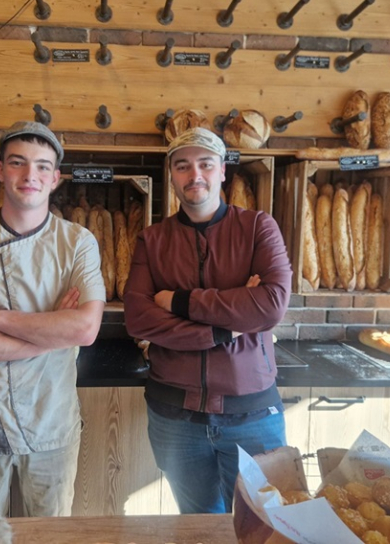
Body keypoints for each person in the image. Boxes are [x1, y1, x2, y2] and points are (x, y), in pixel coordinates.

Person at [0, 121, 106, 516]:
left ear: (56, 178)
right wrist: (50, 330)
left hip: (51, 423)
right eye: (18, 163)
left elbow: (84, 328)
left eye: (43, 166)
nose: (31, 176)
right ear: (0, 170)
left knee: (49, 541)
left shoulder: (78, 242)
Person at [124, 127, 292, 514]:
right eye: (182, 166)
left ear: (222, 173)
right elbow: (139, 319)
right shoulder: (152, 240)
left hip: (251, 414)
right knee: (197, 527)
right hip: (175, 417)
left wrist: (178, 301)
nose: (193, 175)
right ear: (172, 176)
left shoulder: (258, 228)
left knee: (265, 527)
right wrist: (225, 327)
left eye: (204, 164)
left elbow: (270, 307)